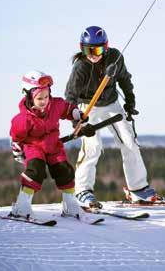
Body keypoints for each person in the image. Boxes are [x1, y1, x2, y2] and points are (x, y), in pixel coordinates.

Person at [65, 26, 159, 209]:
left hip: (110, 104)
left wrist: (130, 102)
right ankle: (83, 190)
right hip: (87, 106)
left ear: (105, 47)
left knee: (129, 142)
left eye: (97, 50)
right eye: (87, 50)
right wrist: (76, 121)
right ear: (82, 49)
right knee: (93, 147)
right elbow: (70, 96)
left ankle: (137, 188)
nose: (92, 54)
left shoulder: (115, 58)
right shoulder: (81, 67)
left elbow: (125, 79)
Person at [9, 70, 94, 219]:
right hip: (34, 148)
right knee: (35, 172)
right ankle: (22, 206)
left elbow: (67, 109)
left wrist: (76, 114)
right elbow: (16, 136)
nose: (44, 101)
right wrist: (17, 150)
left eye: (47, 96)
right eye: (39, 98)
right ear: (29, 96)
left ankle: (70, 206)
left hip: (54, 146)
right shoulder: (23, 119)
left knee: (65, 170)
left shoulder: (55, 105)